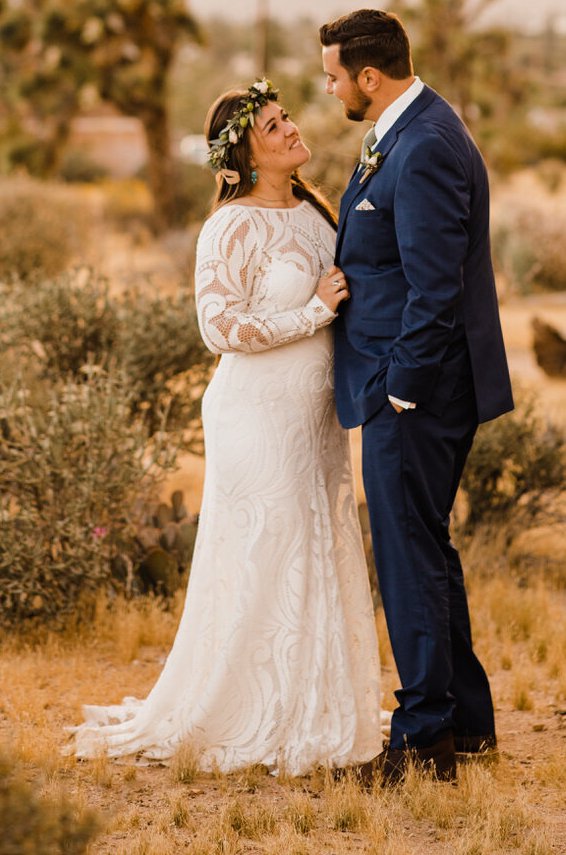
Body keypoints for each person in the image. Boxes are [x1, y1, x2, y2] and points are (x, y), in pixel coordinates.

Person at [67, 78, 382, 775]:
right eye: (272, 128)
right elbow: (219, 328)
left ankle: (312, 699)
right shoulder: (230, 226)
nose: (291, 130)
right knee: (264, 550)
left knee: (314, 545)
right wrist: (312, 314)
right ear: (242, 155)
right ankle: (242, 708)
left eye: (287, 117)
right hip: (255, 414)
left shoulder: (314, 215)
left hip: (313, 415)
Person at [320, 9, 513, 784]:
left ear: (369, 76)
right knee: (425, 550)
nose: (326, 86)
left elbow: (435, 289)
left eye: (332, 75)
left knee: (407, 560)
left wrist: (397, 390)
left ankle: (420, 742)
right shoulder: (405, 130)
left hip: (417, 393)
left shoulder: (426, 144)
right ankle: (463, 723)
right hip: (415, 388)